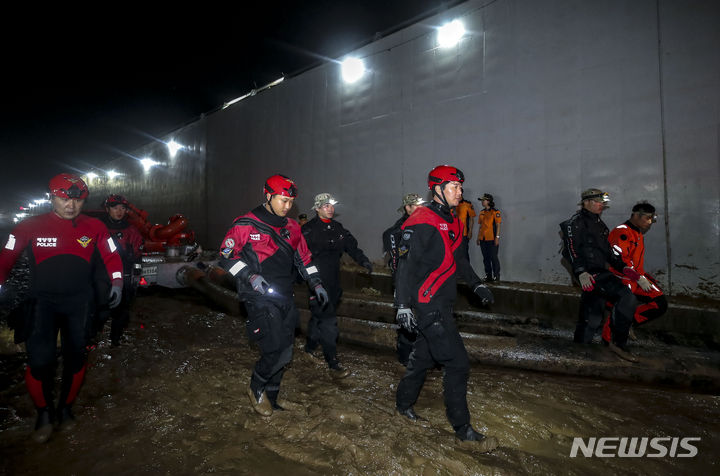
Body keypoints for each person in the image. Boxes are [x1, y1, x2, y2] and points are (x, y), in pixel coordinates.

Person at [0, 173, 123, 443]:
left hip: (79, 302)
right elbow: (5, 259)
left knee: (76, 358)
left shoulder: (95, 227)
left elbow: (111, 255)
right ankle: (44, 413)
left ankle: (65, 410)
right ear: (51, 197)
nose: (72, 206)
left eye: (78, 201)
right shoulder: (28, 227)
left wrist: (117, 282)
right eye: (64, 199)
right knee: (39, 362)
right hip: (41, 302)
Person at [394, 164, 498, 450]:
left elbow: (460, 259)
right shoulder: (421, 220)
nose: (459, 192)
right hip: (428, 304)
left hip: (444, 302)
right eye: (454, 187)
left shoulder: (452, 220)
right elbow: (406, 264)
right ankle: (463, 430)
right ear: (437, 189)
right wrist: (402, 304)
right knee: (458, 363)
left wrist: (476, 285)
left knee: (422, 360)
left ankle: (402, 406)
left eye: (461, 187)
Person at [218, 174, 329, 416]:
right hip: (258, 296)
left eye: (291, 202)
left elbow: (305, 259)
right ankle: (256, 389)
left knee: (286, 351)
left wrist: (316, 282)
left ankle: (273, 398)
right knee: (273, 348)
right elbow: (226, 257)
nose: (287, 207)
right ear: (267, 195)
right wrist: (249, 275)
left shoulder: (292, 227)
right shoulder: (245, 224)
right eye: (282, 200)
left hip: (284, 296)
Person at [560, 188, 643, 362]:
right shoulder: (574, 223)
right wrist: (581, 272)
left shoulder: (600, 225)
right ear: (586, 202)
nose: (601, 205)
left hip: (598, 272)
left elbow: (609, 254)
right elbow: (571, 249)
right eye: (598, 202)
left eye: (602, 202)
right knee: (626, 297)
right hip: (589, 274)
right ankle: (618, 344)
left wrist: (628, 270)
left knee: (592, 314)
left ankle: (579, 350)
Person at [301, 193, 372, 378]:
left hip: (333, 282)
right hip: (316, 282)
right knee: (329, 322)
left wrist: (363, 260)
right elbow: (300, 258)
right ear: (317, 208)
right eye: (325, 206)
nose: (330, 208)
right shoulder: (308, 230)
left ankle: (308, 349)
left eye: (331, 205)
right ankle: (333, 364)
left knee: (318, 317)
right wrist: (307, 280)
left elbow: (351, 246)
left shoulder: (338, 228)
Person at [601, 202, 667, 343]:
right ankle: (608, 341)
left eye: (652, 218)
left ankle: (629, 323)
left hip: (637, 278)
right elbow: (619, 262)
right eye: (648, 218)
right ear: (636, 215)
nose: (650, 222)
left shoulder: (637, 232)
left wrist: (640, 277)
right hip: (623, 279)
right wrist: (637, 278)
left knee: (660, 303)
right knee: (620, 309)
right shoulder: (622, 232)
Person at [382, 193, 425, 366]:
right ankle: (405, 360)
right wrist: (400, 291)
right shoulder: (399, 231)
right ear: (407, 208)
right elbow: (397, 262)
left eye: (422, 205)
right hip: (406, 283)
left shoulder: (423, 226)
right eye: (416, 205)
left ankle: (421, 358)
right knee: (407, 322)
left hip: (423, 282)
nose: (421, 208)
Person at [100, 194, 144, 346]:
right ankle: (91, 338)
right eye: (115, 207)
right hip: (101, 275)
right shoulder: (99, 228)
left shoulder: (132, 231)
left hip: (125, 276)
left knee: (122, 311)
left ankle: (115, 341)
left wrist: (137, 275)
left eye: (123, 208)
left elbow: (138, 256)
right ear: (107, 209)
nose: (119, 211)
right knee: (100, 309)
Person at [476, 193, 501, 281]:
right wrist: (478, 238)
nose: (482, 202)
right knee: (485, 258)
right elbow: (481, 226)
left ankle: (496, 276)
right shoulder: (482, 212)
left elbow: (498, 225)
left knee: (493, 257)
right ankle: (488, 275)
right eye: (482, 200)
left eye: (484, 200)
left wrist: (497, 237)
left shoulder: (495, 212)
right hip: (483, 239)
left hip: (492, 238)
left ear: (489, 201)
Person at [455, 197, 475, 261]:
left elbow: (471, 219)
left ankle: (466, 270)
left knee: (464, 253)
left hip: (464, 233)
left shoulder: (467, 204)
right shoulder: (452, 204)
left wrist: (470, 231)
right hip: (454, 234)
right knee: (455, 254)